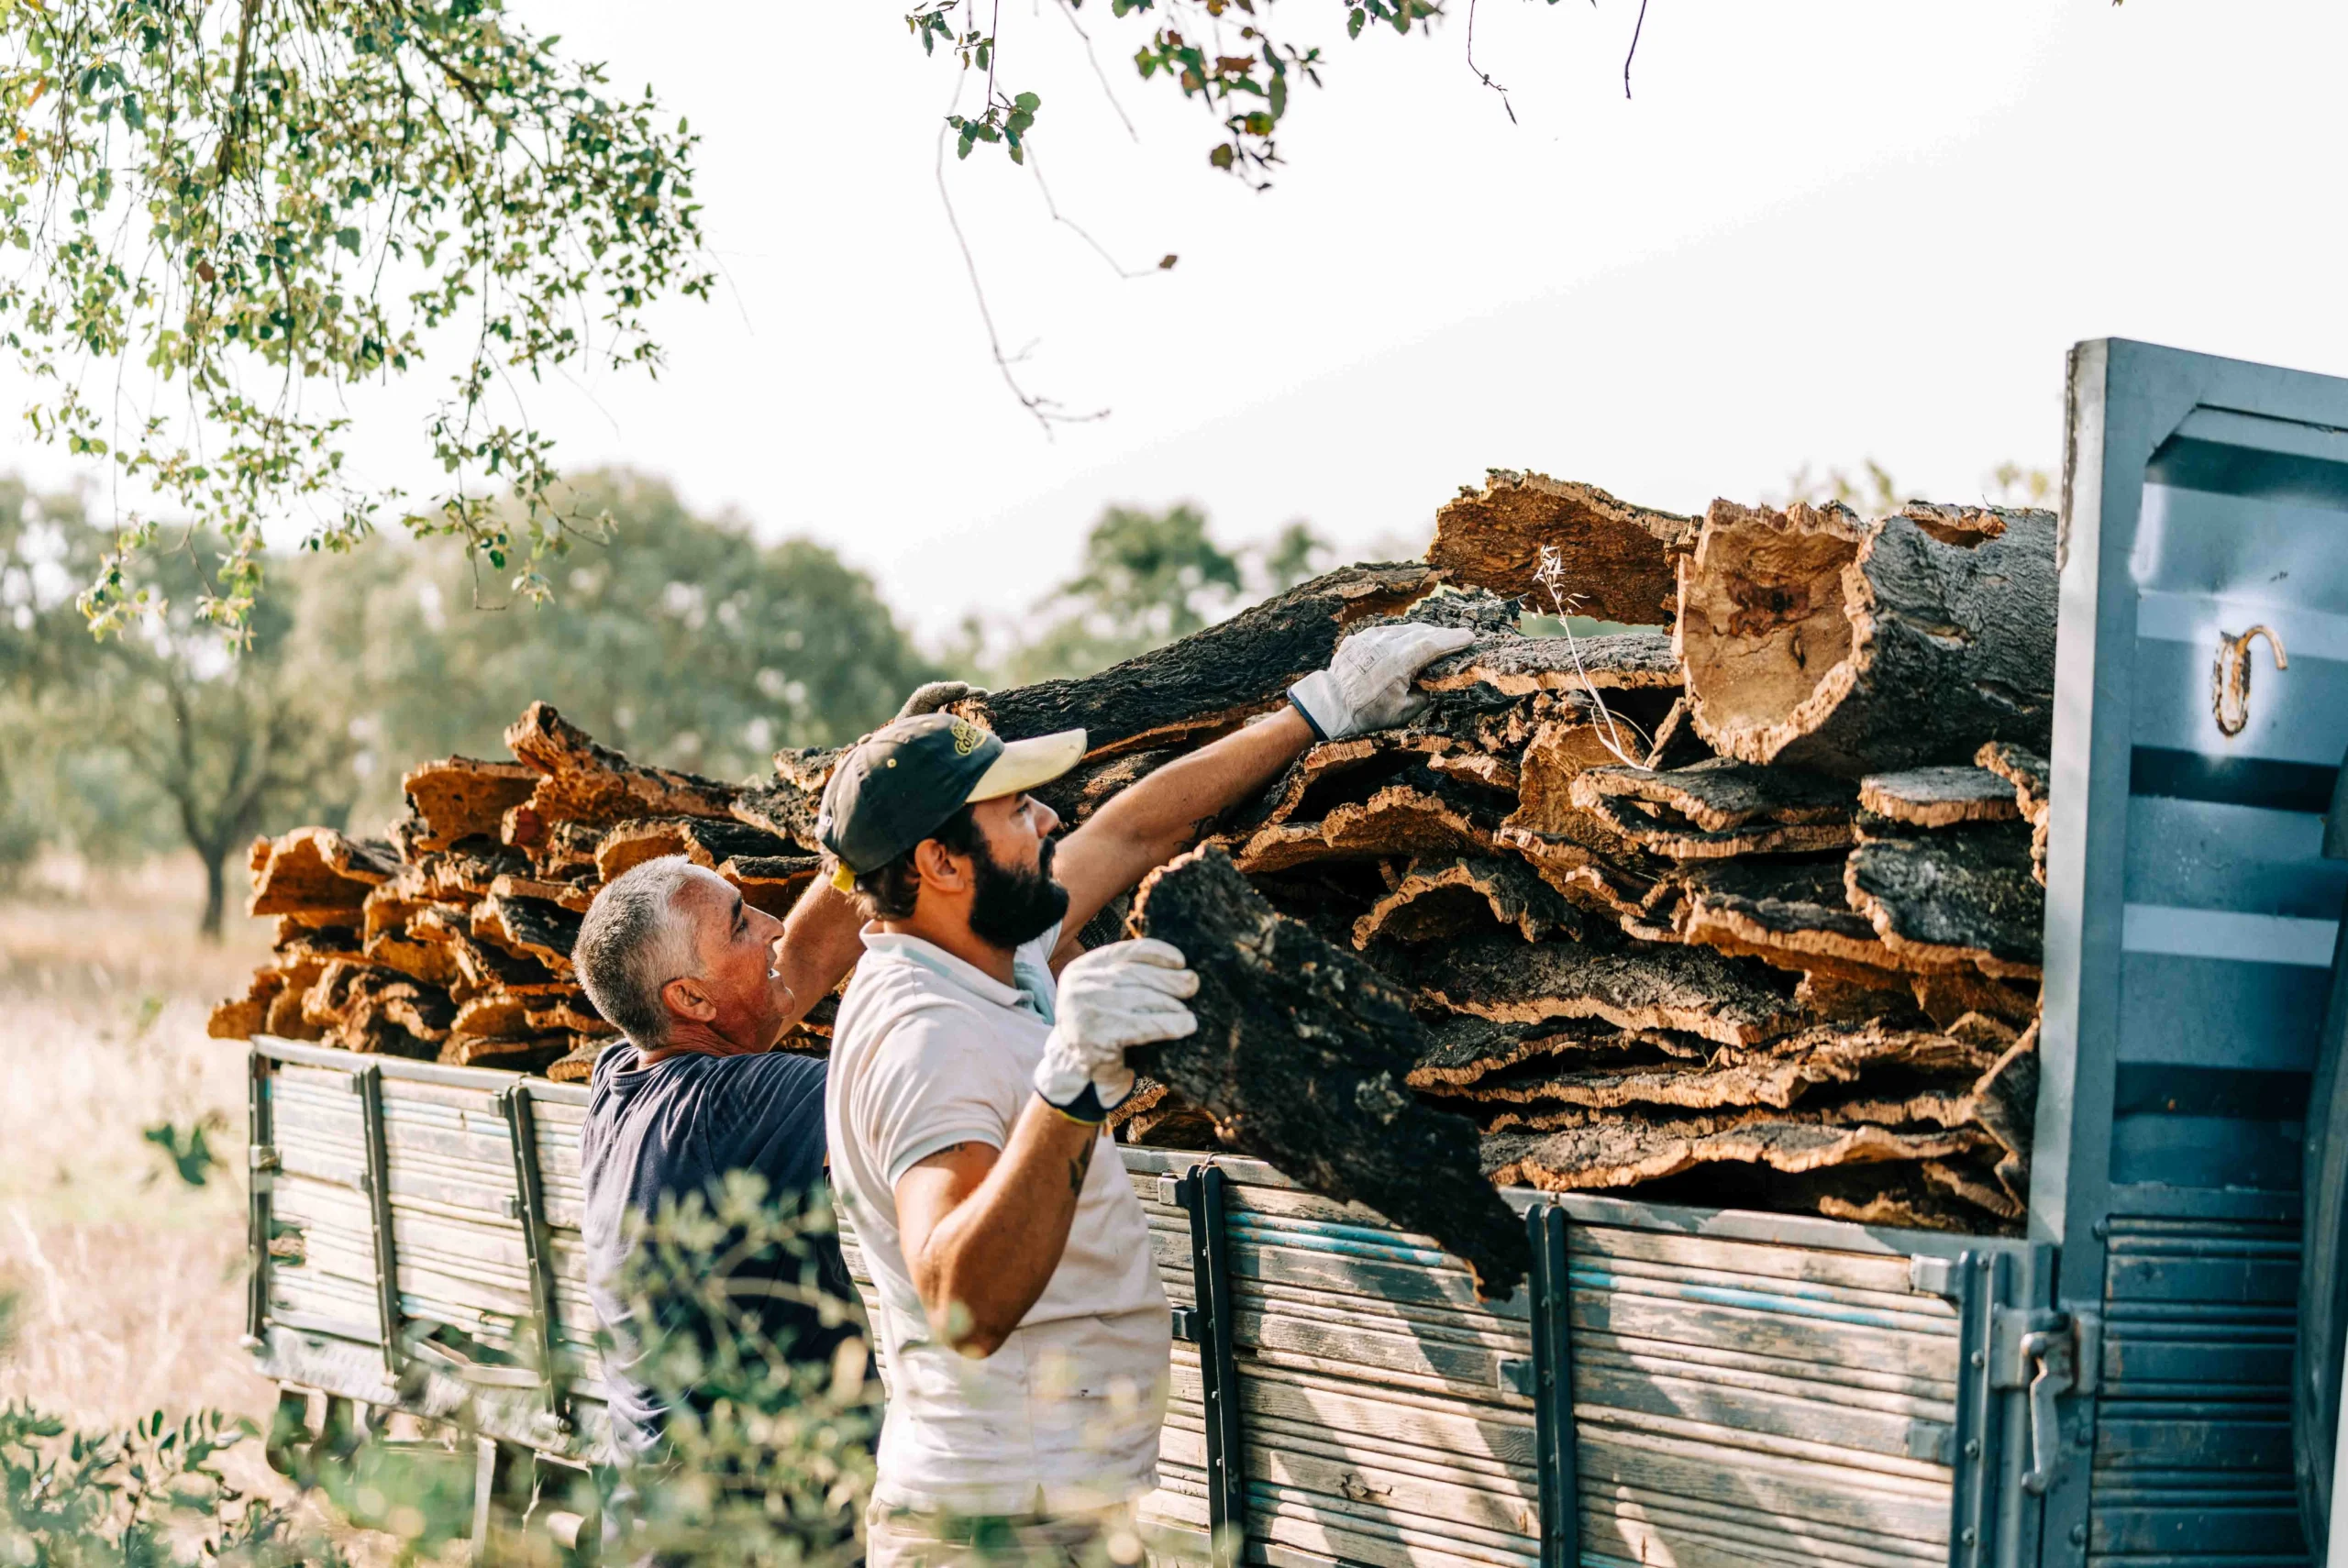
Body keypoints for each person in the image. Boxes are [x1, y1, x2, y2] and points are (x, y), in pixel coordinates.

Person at [817, 620, 1476, 1568]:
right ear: (941, 864)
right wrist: (1070, 1093)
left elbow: (1129, 830)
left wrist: (1317, 710)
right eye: (1015, 812)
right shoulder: (930, 1035)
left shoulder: (984, 949)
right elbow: (959, 1302)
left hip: (1045, 1505)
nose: (1047, 820)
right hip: (999, 1529)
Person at [573, 852, 869, 1466]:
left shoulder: (620, 1076)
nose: (773, 927)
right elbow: (935, 1077)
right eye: (739, 924)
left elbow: (797, 968)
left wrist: (860, 858)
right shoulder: (730, 1108)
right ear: (690, 999)